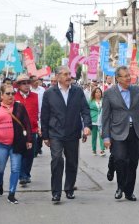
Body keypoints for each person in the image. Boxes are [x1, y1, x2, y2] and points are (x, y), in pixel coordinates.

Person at [102, 66, 139, 201]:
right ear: (118, 79)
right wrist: (106, 136)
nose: (129, 78)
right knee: (120, 159)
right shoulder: (109, 94)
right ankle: (120, 187)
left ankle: (129, 192)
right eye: (125, 76)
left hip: (135, 131)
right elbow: (105, 117)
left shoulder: (138, 90)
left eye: (129, 75)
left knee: (133, 162)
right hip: (118, 132)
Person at [41, 66, 92, 203]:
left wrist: (87, 126)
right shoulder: (49, 93)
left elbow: (85, 111)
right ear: (57, 77)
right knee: (57, 160)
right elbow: (44, 116)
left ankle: (69, 189)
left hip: (72, 133)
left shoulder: (77, 91)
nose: (68, 76)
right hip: (55, 133)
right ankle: (56, 192)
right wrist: (45, 136)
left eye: (69, 74)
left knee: (72, 162)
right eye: (65, 74)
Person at [0, 84, 32, 204]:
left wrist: (29, 140)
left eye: (13, 93)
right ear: (1, 95)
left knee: (15, 169)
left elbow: (27, 123)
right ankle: (0, 184)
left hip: (16, 144)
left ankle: (12, 194)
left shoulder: (19, 107)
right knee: (0, 169)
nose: (11, 96)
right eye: (8, 94)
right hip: (0, 144)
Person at [14, 74, 39, 186]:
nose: (26, 85)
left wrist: (40, 127)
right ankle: (22, 175)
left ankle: (26, 174)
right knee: (20, 153)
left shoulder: (35, 96)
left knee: (30, 154)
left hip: (32, 129)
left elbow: (40, 111)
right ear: (18, 86)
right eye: (23, 83)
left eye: (28, 83)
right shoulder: (14, 97)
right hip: (18, 130)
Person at [30, 75, 45, 157]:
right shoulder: (29, 90)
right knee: (34, 131)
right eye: (35, 80)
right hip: (32, 114)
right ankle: (34, 150)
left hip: (41, 113)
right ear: (31, 82)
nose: (37, 81)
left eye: (37, 80)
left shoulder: (42, 90)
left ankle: (39, 147)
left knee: (41, 132)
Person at [89, 87, 105, 156]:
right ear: (94, 93)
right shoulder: (91, 101)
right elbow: (87, 110)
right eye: (96, 92)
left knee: (102, 135)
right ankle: (94, 150)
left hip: (102, 121)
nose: (98, 93)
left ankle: (102, 150)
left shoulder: (104, 100)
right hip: (94, 120)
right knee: (94, 137)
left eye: (99, 92)